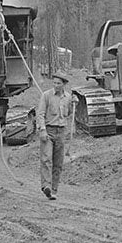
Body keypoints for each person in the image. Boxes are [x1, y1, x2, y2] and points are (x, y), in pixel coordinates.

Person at [37, 72, 74, 200]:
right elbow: (40, 114)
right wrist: (42, 129)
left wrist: (75, 104)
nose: (56, 85)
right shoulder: (46, 96)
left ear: (64, 84)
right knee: (46, 159)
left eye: (59, 83)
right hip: (48, 131)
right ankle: (46, 186)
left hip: (61, 132)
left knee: (58, 163)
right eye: (54, 83)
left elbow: (69, 113)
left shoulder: (68, 97)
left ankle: (53, 189)